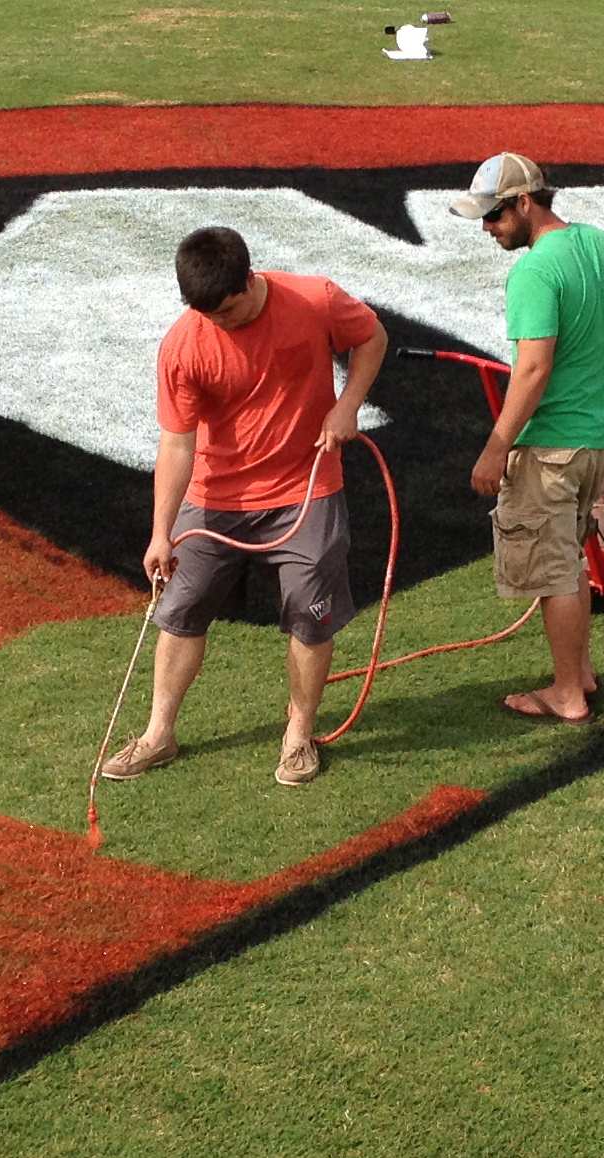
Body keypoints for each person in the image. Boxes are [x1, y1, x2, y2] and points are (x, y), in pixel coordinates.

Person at [99, 226, 390, 787]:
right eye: (209, 316)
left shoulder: (315, 299)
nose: (221, 325)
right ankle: (159, 734)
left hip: (306, 490)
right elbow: (177, 442)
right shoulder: (184, 343)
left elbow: (371, 337)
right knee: (179, 614)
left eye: (229, 311)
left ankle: (298, 736)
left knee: (311, 617)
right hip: (213, 499)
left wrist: (348, 404)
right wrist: (161, 532)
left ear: (250, 279)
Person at [450, 152, 604, 724]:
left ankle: (567, 695)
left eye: (495, 216)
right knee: (570, 563)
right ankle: (577, 673)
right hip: (598, 441)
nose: (487, 229)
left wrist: (495, 447)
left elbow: (531, 371)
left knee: (552, 571)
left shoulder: (532, 273)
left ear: (525, 203)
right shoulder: (603, 245)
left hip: (550, 447)